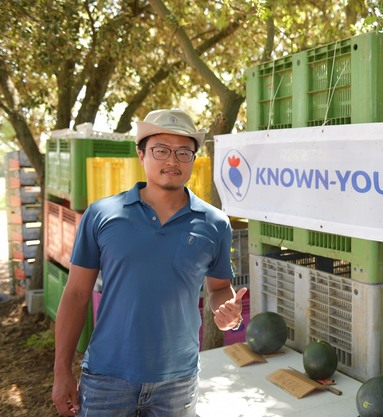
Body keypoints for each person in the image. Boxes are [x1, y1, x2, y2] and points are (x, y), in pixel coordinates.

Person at [52, 109, 246, 417]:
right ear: (141, 154)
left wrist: (228, 314)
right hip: (106, 377)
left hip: (178, 381)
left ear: (193, 159)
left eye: (183, 152)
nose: (173, 160)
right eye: (161, 150)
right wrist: (61, 370)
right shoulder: (102, 214)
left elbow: (220, 288)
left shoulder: (215, 223)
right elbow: (76, 294)